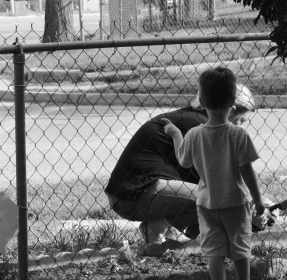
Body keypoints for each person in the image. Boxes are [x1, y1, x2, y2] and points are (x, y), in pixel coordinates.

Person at [104, 81, 272, 247]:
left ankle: (157, 230)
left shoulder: (198, 121)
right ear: (230, 110)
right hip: (132, 197)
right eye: (240, 120)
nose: (241, 127)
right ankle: (161, 230)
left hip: (132, 196)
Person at [162, 67, 265, 280]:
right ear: (232, 102)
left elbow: (183, 160)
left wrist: (176, 134)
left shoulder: (194, 134)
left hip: (207, 204)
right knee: (240, 248)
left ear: (202, 101)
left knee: (214, 251)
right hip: (236, 203)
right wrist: (258, 200)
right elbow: (247, 171)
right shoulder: (238, 135)